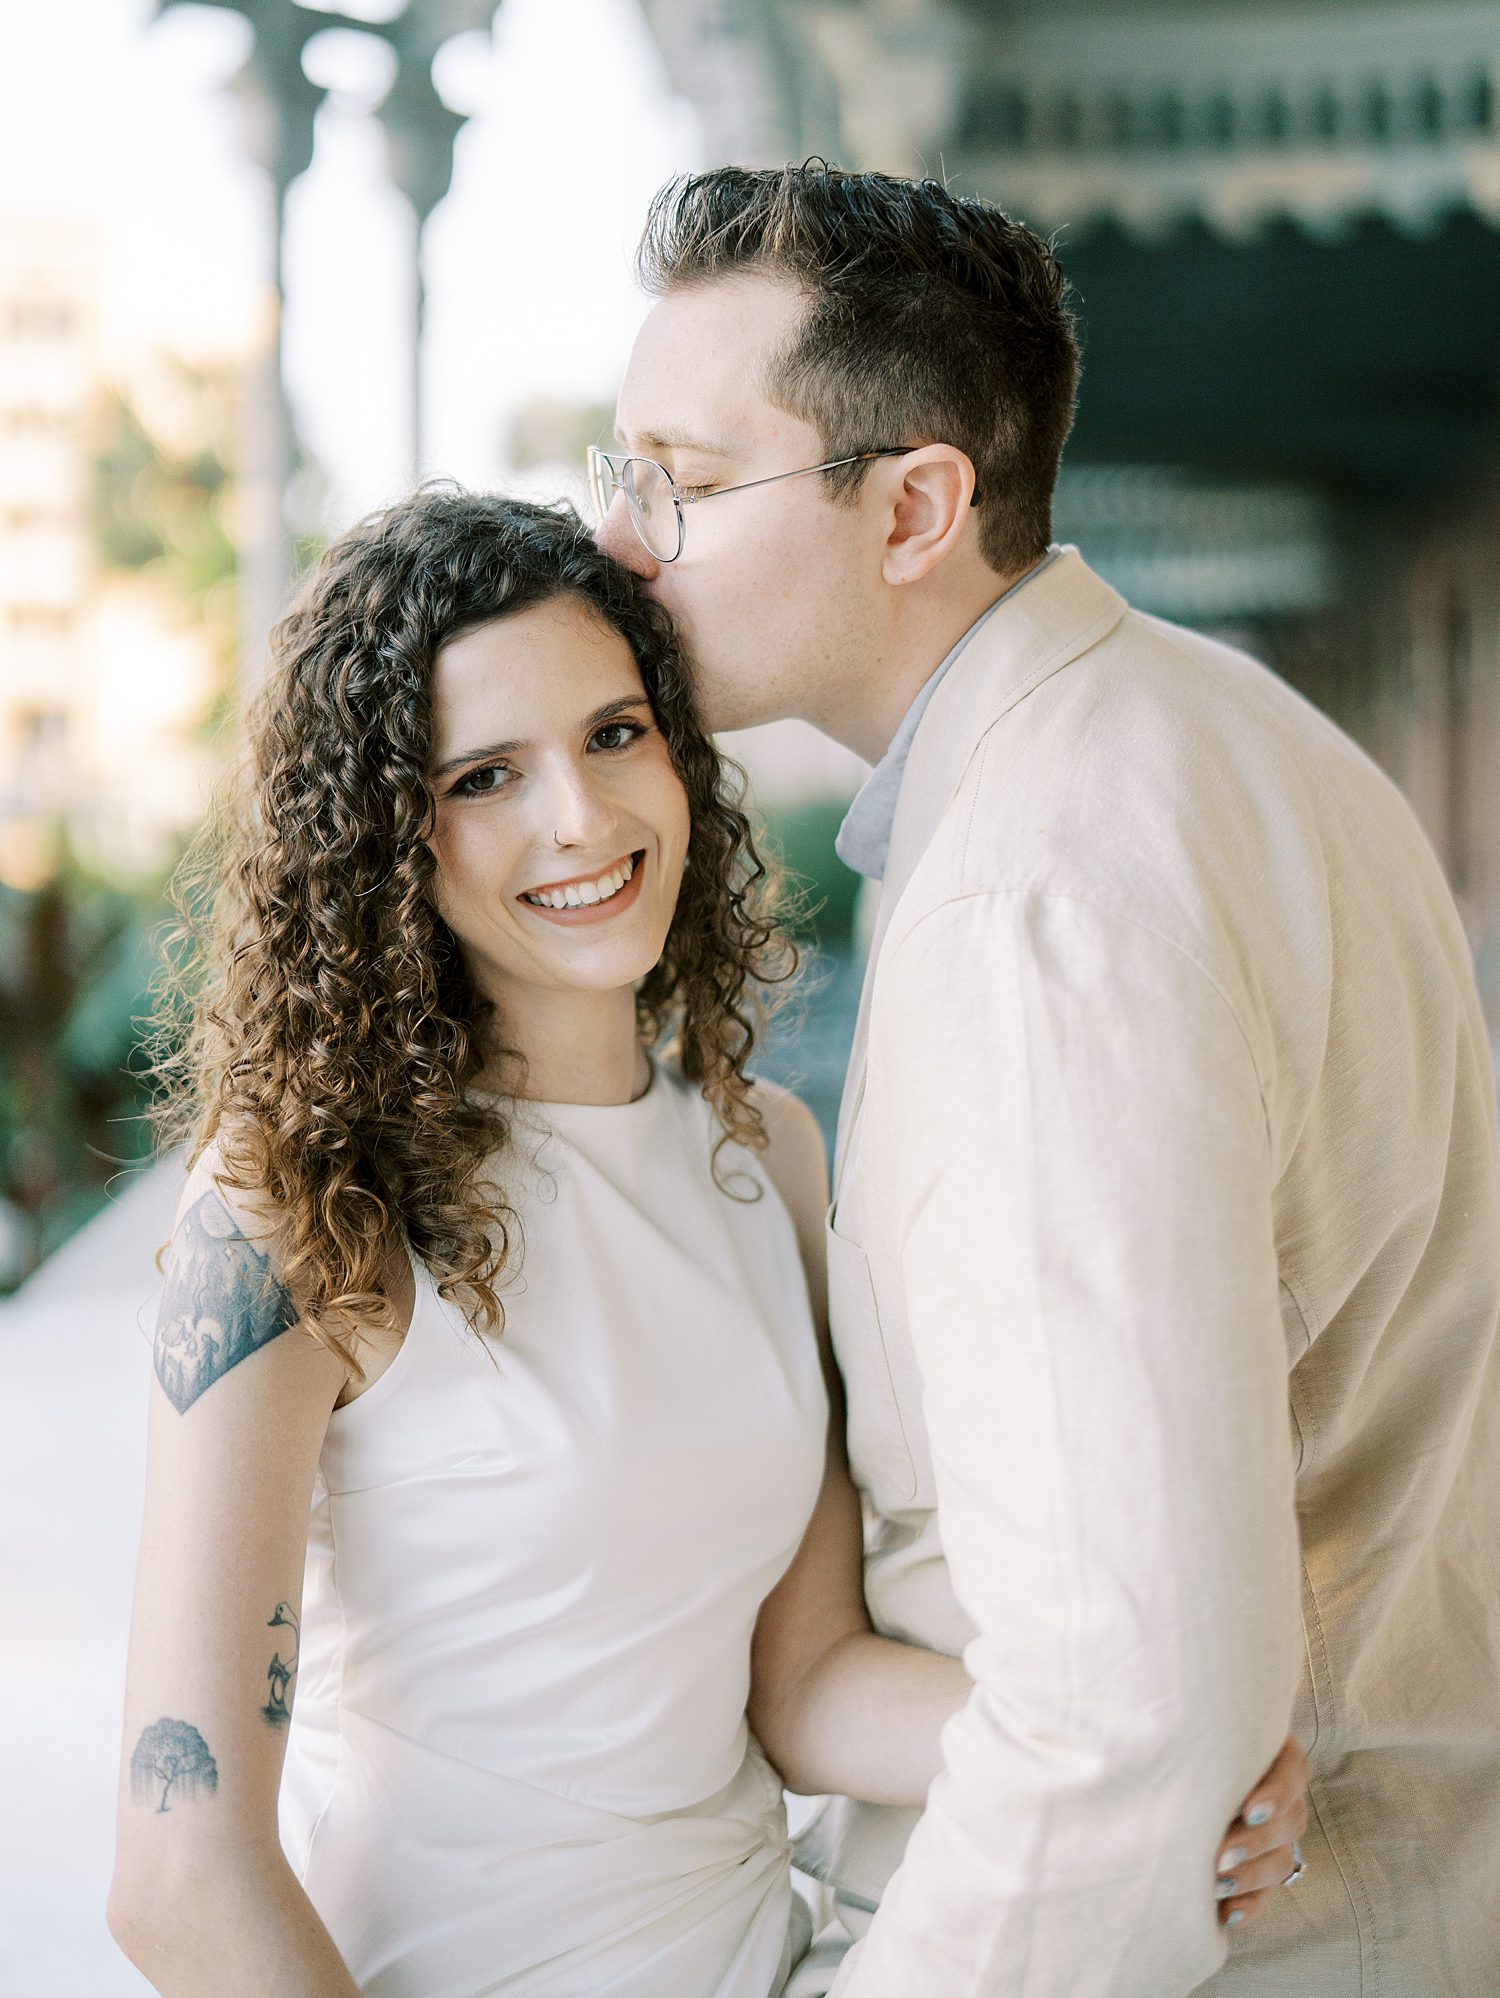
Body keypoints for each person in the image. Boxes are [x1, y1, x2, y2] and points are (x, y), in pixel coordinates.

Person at [106, 492, 1303, 1998]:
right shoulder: (293, 1204)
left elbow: (804, 1688)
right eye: (487, 774)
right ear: (385, 837)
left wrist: (1155, 1760)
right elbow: (179, 1865)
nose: (582, 817)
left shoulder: (766, 1165)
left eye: (615, 733)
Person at [595, 161, 1500, 1995]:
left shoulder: (1037, 890)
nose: (624, 544)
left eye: (683, 485)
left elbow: (1119, 1717)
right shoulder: (1231, 728)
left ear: (915, 504)